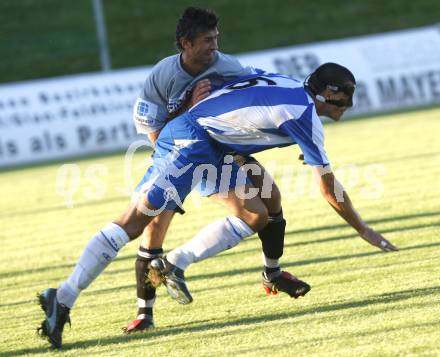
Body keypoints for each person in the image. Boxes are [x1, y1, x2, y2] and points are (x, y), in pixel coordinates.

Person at [36, 7, 303, 349]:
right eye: (207, 41)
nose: (214, 47)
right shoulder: (162, 77)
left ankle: (196, 266)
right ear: (185, 44)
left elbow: (259, 97)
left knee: (259, 210)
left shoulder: (228, 67)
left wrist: (287, 135)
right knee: (143, 227)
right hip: (176, 154)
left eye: (216, 39)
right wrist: (189, 108)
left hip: (215, 155)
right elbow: (156, 136)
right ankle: (117, 306)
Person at [138, 62, 399, 305]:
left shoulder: (288, 83)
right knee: (255, 215)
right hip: (198, 142)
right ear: (330, 94)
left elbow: (239, 85)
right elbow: (329, 190)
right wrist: (364, 230)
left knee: (271, 197)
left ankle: (272, 273)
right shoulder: (304, 115)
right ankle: (174, 262)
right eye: (346, 97)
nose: (348, 104)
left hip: (217, 141)